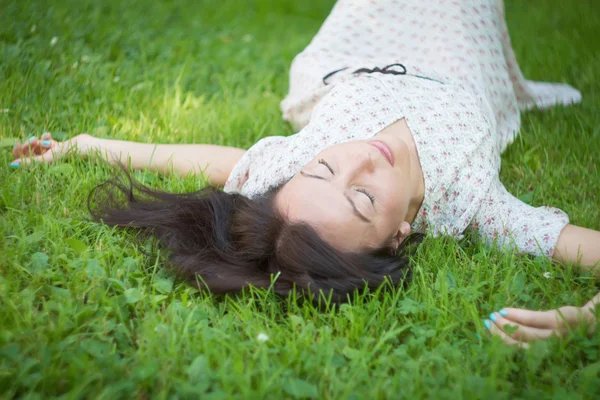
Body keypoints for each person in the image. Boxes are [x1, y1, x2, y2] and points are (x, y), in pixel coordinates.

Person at [10, 0, 600, 345]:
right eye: (364, 198)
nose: (361, 158)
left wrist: (84, 144)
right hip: (458, 50)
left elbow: (200, 159)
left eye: (327, 167)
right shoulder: (475, 207)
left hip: (363, 41)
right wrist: (586, 316)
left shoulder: (292, 172)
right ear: (399, 235)